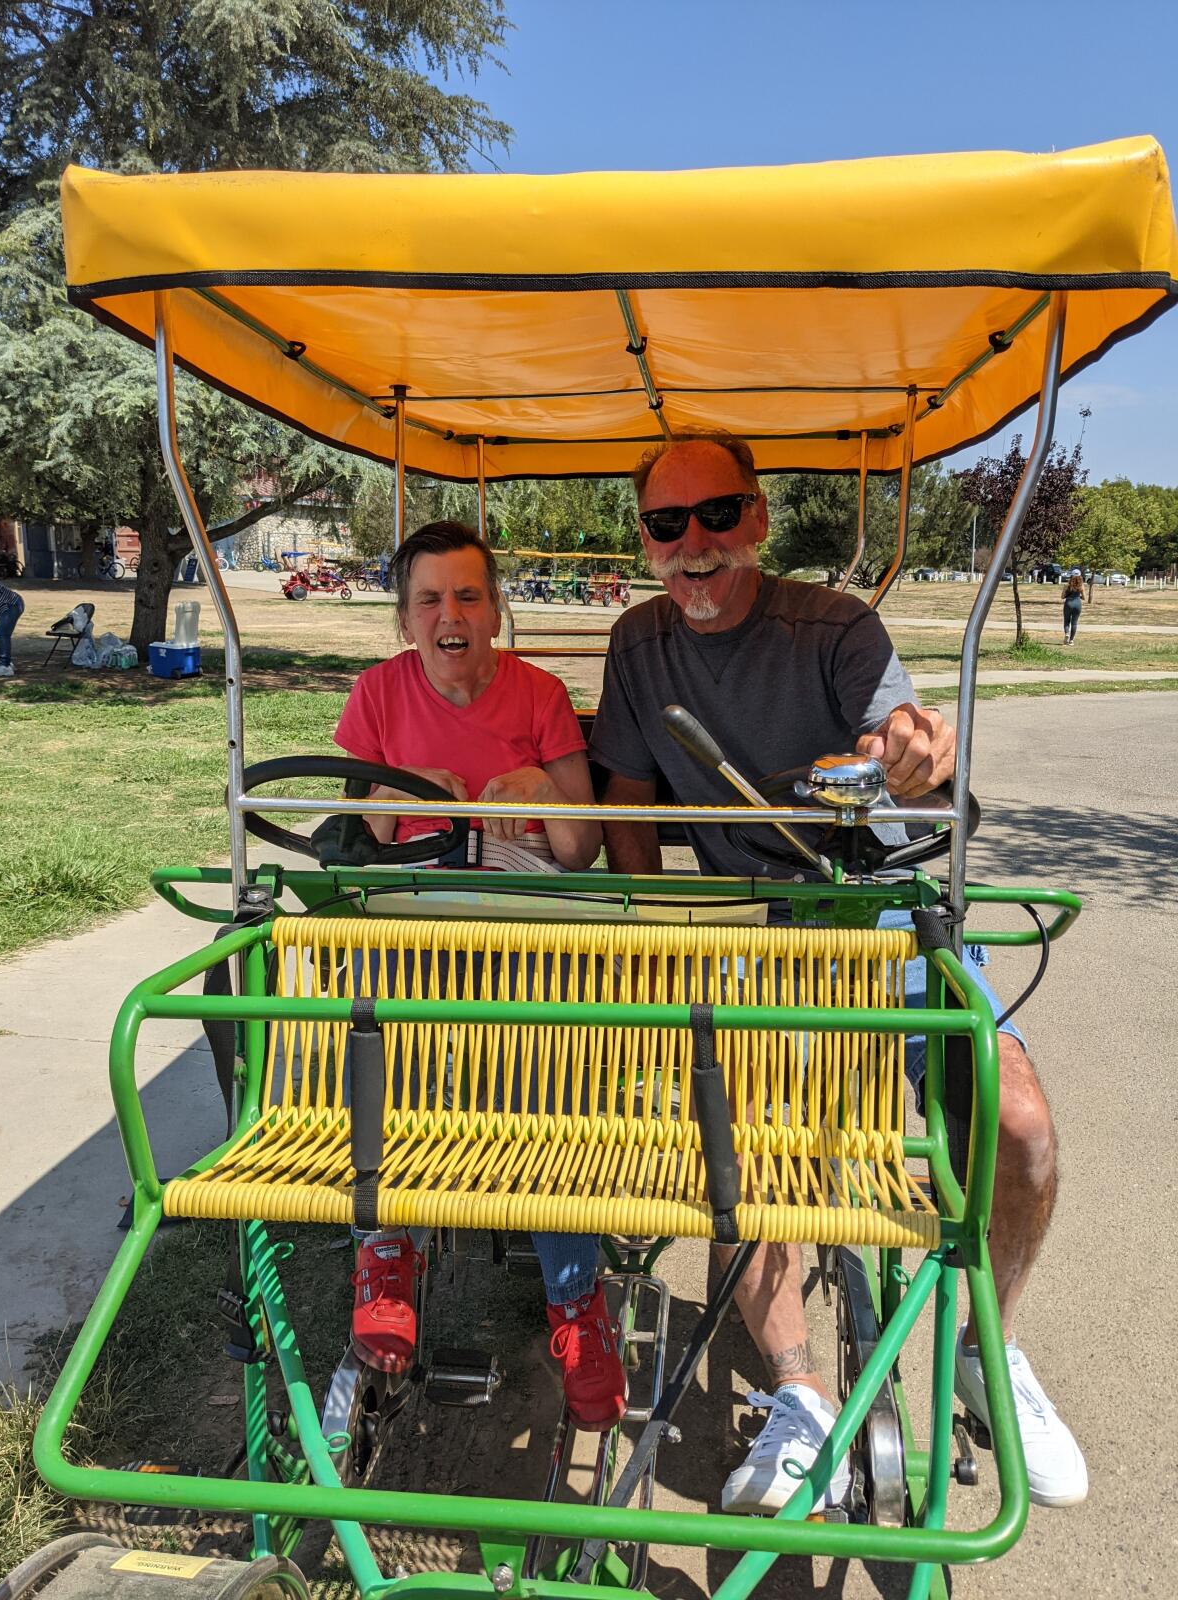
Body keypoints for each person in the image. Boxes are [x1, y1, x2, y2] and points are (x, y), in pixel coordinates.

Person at [588, 433, 1087, 1513]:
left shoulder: (837, 628)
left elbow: (903, 746)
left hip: (881, 914)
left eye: (716, 516)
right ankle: (802, 1393)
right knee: (758, 1145)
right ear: (646, 542)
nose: (694, 546)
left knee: (1023, 1127)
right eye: (667, 526)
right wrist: (653, 929)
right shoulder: (639, 643)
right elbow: (626, 804)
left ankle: (984, 1344)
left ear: (759, 520)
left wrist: (915, 754)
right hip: (749, 932)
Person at [333, 519, 626, 1431]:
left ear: (495, 611)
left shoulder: (539, 695)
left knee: (545, 1079)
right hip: (417, 913)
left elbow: (580, 852)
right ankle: (387, 1247)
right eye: (430, 599)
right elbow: (359, 836)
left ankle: (574, 1297)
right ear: (404, 619)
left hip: (522, 914)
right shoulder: (377, 695)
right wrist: (391, 795)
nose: (449, 614)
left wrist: (545, 791)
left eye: (467, 595)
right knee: (379, 1029)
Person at [1063, 572, 1083, 644]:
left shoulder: (1067, 585)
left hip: (1068, 603)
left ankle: (1067, 634)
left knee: (1066, 621)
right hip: (1077, 603)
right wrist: (1078, 596)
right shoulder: (1081, 586)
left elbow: (1062, 596)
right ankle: (1071, 640)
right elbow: (1083, 597)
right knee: (1074, 623)